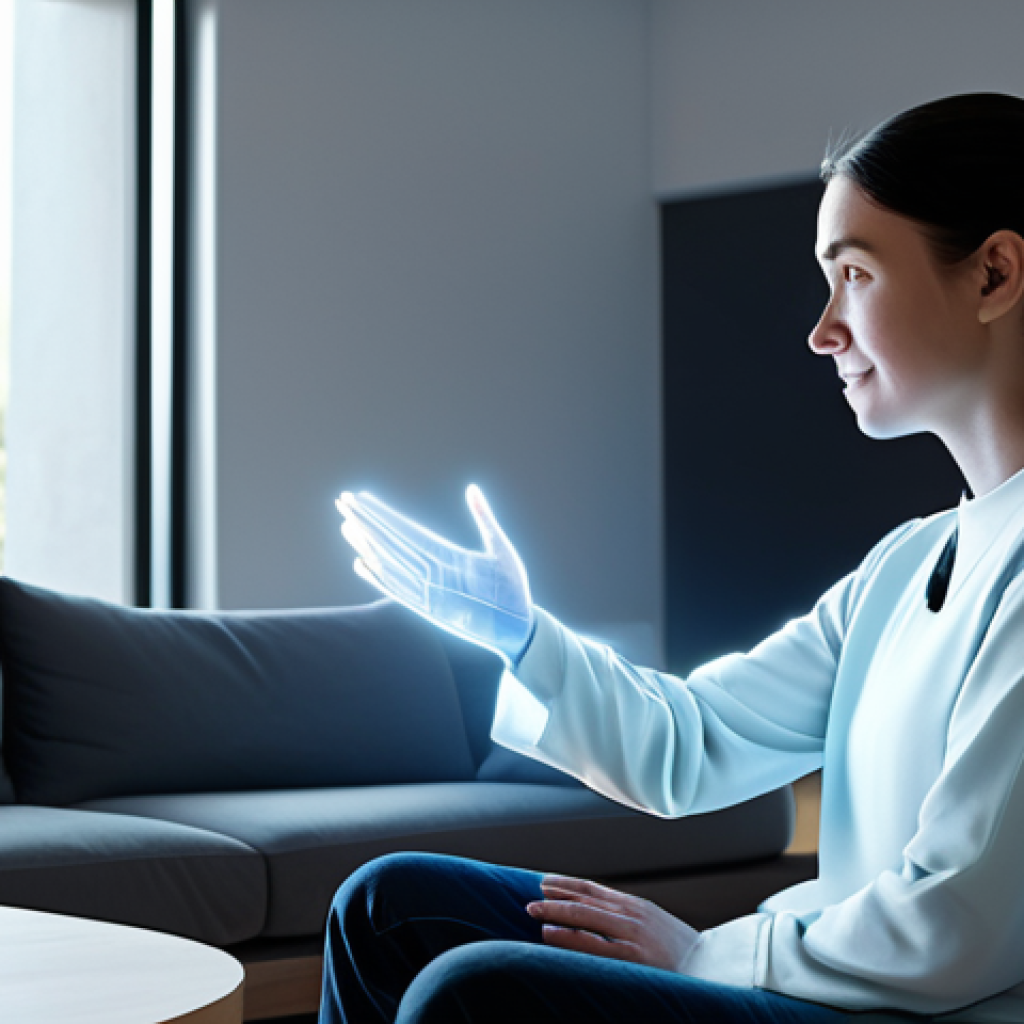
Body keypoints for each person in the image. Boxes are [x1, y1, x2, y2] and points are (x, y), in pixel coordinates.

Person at [322, 93, 1024, 1023]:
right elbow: (692, 742)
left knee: (472, 992)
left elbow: (957, 928)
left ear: (994, 274)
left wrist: (705, 953)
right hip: (844, 986)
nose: (823, 329)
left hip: (922, 1013)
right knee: (388, 906)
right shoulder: (906, 563)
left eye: (853, 274)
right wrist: (524, 637)